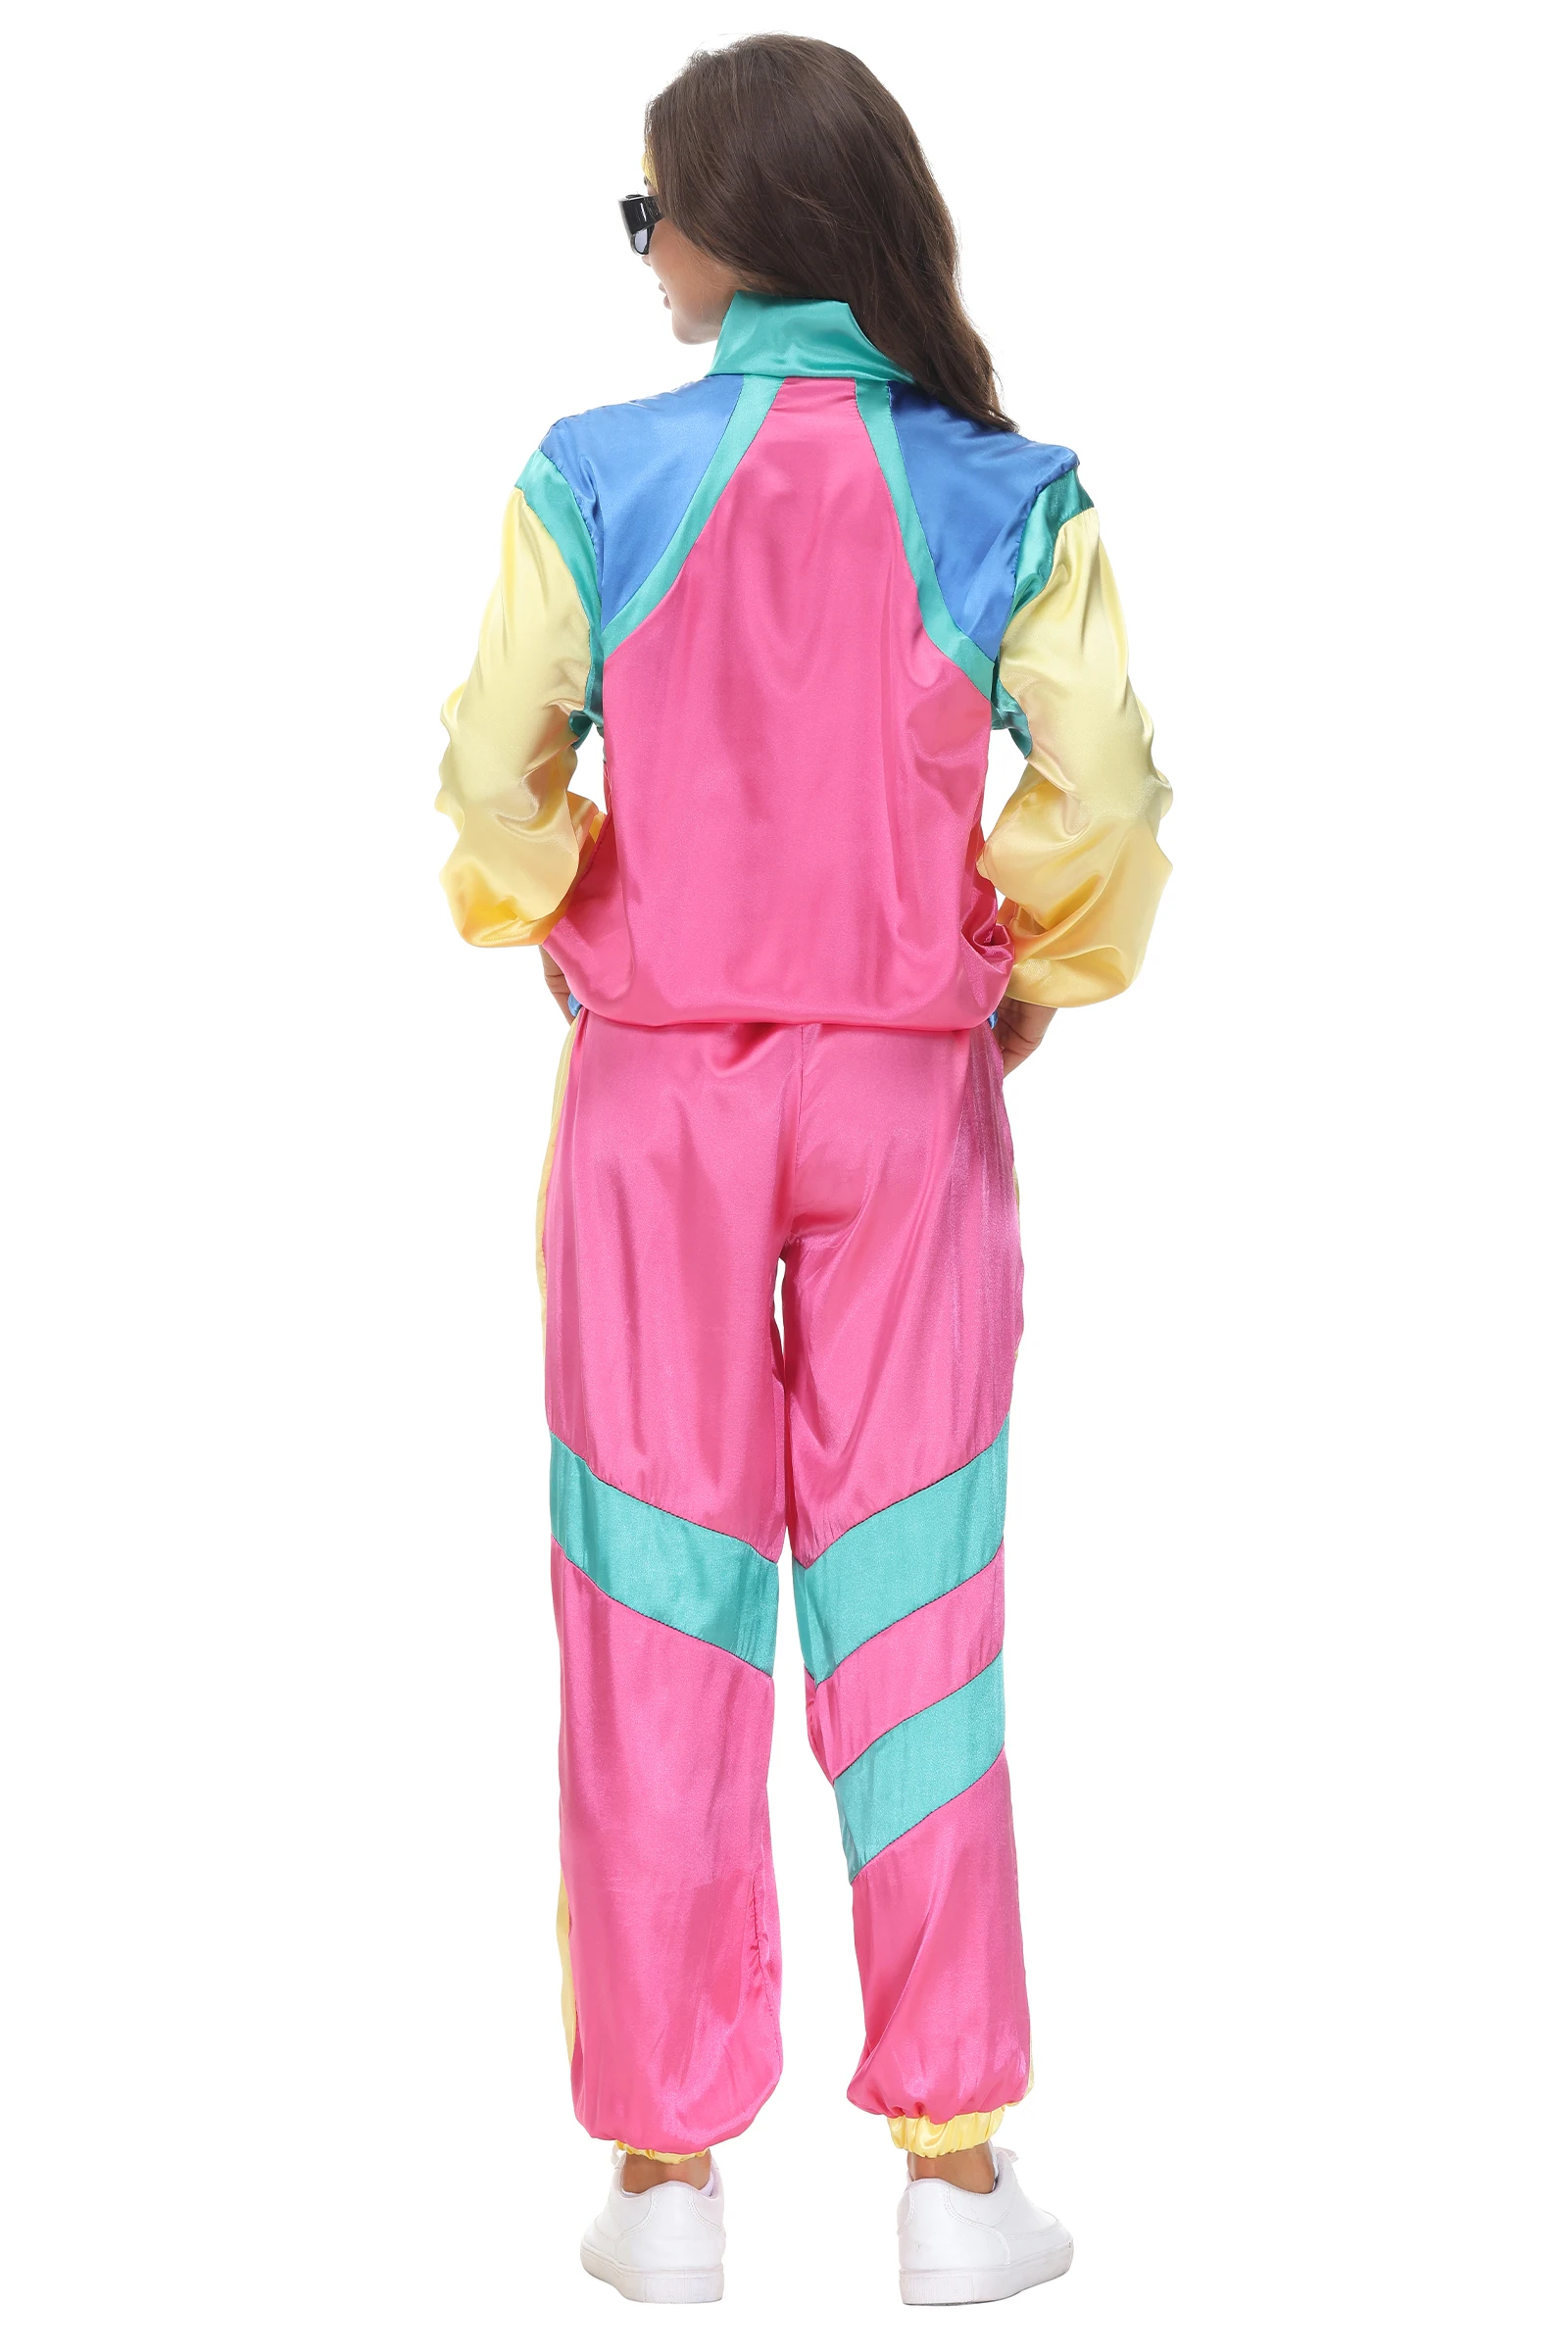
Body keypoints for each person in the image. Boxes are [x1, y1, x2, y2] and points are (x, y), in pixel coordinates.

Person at [436, 33, 1170, 2308]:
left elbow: (491, 778)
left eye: (647, 211)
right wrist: (1017, 967)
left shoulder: (590, 477)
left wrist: (566, 902)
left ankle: (664, 2182)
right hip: (901, 1102)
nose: (643, 250)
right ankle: (954, 2172)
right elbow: (1105, 797)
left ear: (734, 227)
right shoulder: (1001, 491)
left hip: (652, 1106)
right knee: (916, 1607)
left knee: (651, 1610)